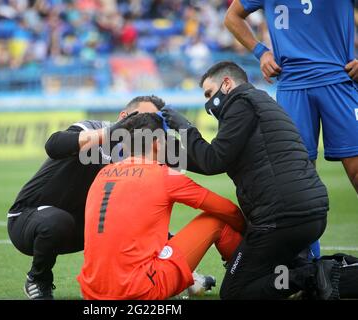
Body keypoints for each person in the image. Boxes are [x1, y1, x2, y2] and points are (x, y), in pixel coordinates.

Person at [161, 61, 340, 299]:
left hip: (281, 218)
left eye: (209, 93)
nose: (207, 103)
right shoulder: (259, 103)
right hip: (309, 214)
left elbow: (213, 160)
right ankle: (321, 271)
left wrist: (185, 128)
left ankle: (309, 275)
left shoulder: (240, 104)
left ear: (227, 84)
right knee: (276, 274)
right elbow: (215, 159)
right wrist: (167, 154)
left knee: (235, 293)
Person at [7, 96, 164, 299]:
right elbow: (54, 144)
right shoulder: (94, 128)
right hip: (27, 220)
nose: (149, 125)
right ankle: (38, 279)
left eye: (155, 121)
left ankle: (151, 282)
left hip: (80, 227)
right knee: (56, 221)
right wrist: (109, 133)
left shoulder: (142, 153)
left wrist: (186, 270)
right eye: (145, 117)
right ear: (125, 117)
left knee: (134, 221)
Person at [77, 113, 244, 300]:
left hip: (91, 291)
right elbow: (227, 209)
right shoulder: (164, 175)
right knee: (217, 218)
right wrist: (250, 234)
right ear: (157, 143)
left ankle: (192, 281)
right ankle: (248, 276)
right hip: (139, 289)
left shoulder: (102, 174)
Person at [224, 0, 358, 196]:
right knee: (299, 177)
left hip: (339, 80)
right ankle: (311, 227)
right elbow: (231, 17)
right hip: (292, 88)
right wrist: (261, 52)